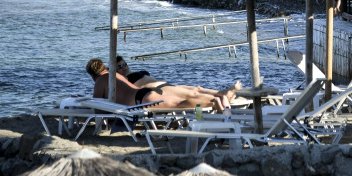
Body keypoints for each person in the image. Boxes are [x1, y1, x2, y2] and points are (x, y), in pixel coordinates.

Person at [85, 58, 240, 111]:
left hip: (141, 99)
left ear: (92, 74)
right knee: (183, 100)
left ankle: (215, 102)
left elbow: (97, 105)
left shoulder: (100, 80)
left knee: (181, 104)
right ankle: (220, 102)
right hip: (147, 92)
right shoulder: (116, 75)